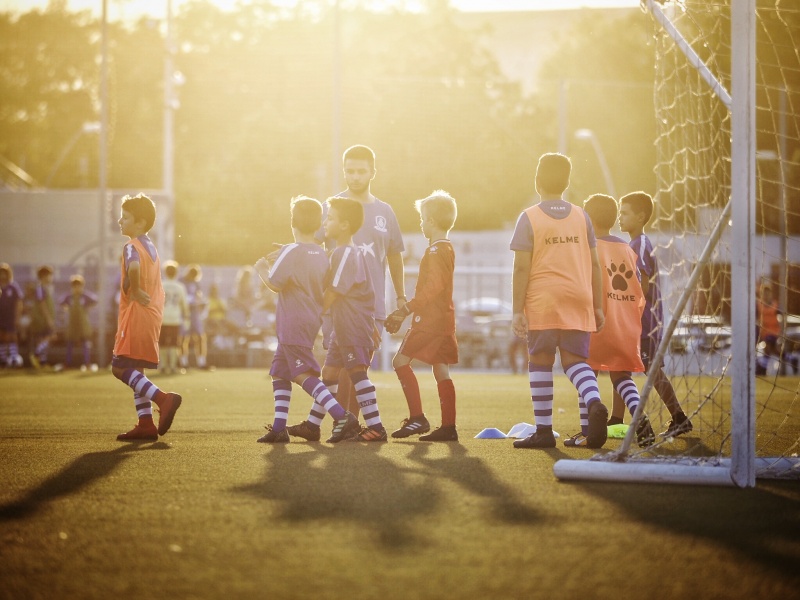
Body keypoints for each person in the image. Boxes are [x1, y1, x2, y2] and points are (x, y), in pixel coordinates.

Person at [509, 153, 609, 449]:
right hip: (579, 298)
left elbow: (521, 267)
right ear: (567, 183)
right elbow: (594, 264)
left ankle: (543, 431)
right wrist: (598, 305)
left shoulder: (529, 217)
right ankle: (593, 402)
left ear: (537, 181)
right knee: (575, 362)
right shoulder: (583, 216)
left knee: (540, 361)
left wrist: (517, 310)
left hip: (544, 300)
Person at [254, 196, 359, 443]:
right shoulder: (321, 253)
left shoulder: (290, 250)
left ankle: (341, 415)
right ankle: (279, 428)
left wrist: (260, 268)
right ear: (318, 224)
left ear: (293, 223)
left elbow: (274, 284)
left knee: (303, 375)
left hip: (292, 322)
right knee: (280, 372)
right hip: (309, 320)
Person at [290, 197, 387, 442]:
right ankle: (313, 426)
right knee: (330, 373)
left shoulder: (345, 253)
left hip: (353, 327)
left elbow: (333, 292)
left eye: (330, 218)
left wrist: (310, 316)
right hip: (342, 329)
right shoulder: (339, 252)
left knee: (357, 373)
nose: (325, 222)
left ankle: (376, 427)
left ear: (343, 225)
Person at [319, 145, 406, 416]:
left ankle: (350, 422)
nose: (355, 177)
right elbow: (317, 250)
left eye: (361, 171)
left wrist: (401, 297)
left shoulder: (385, 212)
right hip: (336, 302)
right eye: (350, 171)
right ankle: (341, 422)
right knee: (336, 366)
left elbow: (394, 257)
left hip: (371, 305)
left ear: (372, 172)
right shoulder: (331, 207)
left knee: (358, 366)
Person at [563, 194, 655, 448]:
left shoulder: (587, 248)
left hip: (597, 323)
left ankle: (587, 430)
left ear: (588, 220)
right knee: (621, 376)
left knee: (586, 371)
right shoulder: (627, 249)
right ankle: (638, 415)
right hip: (626, 325)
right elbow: (639, 291)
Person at [385, 191, 459, 441]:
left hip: (429, 321)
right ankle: (449, 427)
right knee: (441, 371)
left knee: (399, 362)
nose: (421, 223)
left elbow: (433, 287)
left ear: (431, 221)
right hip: (444, 320)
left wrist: (406, 309)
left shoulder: (436, 251)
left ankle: (417, 418)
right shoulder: (446, 248)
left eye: (422, 218)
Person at [618, 191, 693, 437]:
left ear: (641, 217)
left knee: (651, 370)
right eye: (620, 211)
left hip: (644, 321)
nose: (620, 216)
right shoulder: (634, 243)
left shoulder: (638, 244)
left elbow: (643, 284)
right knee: (622, 366)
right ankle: (615, 419)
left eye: (625, 212)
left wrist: (628, 310)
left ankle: (679, 417)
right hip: (640, 320)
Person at [111, 193, 182, 441]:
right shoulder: (151, 247)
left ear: (140, 222)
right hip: (152, 315)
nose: (120, 221)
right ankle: (145, 423)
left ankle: (164, 399)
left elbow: (133, 267)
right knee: (136, 369)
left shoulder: (131, 246)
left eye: (125, 217)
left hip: (137, 314)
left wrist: (137, 289)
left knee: (119, 368)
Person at [59, 274, 98, 370]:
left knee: (85, 343)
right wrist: (66, 309)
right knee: (70, 343)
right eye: (75, 286)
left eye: (79, 286)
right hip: (72, 323)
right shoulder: (69, 297)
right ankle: (67, 363)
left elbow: (95, 300)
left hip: (83, 323)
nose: (77, 288)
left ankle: (87, 363)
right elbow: (61, 302)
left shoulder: (85, 296)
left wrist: (87, 308)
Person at [160, 260, 188, 375]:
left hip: (162, 318)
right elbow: (184, 304)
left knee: (162, 343)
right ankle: (172, 366)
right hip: (175, 318)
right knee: (173, 343)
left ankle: (163, 365)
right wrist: (186, 317)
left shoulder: (161, 284)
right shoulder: (180, 287)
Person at [182, 264, 209, 370]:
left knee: (200, 336)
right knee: (184, 337)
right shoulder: (181, 281)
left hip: (195, 312)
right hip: (184, 313)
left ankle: (201, 362)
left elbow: (199, 296)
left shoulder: (196, 283)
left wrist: (201, 302)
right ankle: (183, 362)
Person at [29, 264, 56, 369]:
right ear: (44, 276)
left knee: (42, 339)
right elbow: (42, 304)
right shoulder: (40, 288)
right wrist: (49, 319)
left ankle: (42, 362)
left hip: (44, 319)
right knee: (49, 337)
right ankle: (36, 354)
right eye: (49, 275)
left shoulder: (45, 288)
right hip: (41, 320)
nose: (51, 278)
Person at [0, 263, 25, 368]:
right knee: (2, 338)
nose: (2, 275)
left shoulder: (13, 287)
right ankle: (3, 360)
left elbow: (19, 303)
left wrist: (17, 317)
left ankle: (14, 359)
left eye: (4, 273)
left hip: (11, 317)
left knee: (12, 337)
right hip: (1, 317)